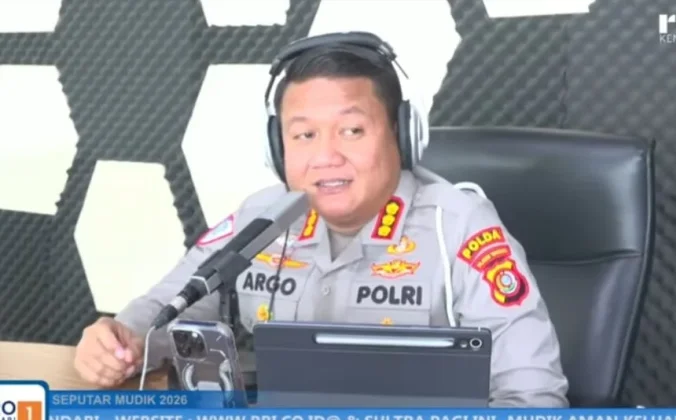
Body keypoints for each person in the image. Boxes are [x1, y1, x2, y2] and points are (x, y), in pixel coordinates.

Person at [73, 32, 569, 407]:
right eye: (304, 136)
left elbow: (533, 394)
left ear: (403, 135)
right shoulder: (259, 219)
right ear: (277, 148)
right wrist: (121, 339)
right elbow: (167, 307)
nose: (326, 157)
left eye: (351, 130)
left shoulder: (459, 227)